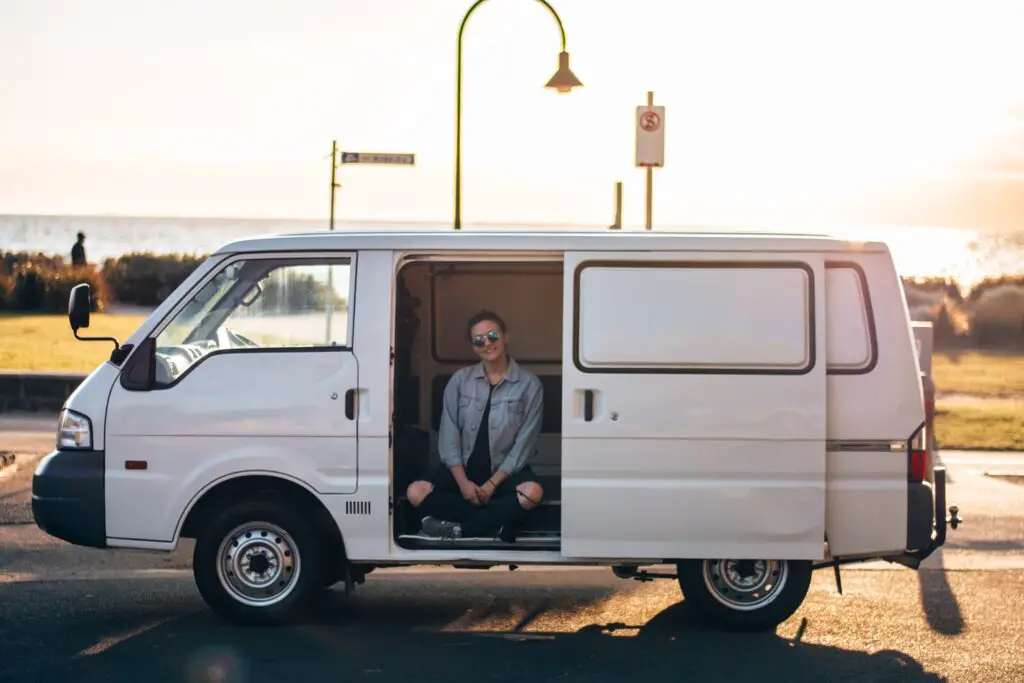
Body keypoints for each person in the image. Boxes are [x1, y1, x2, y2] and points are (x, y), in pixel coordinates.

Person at [406, 310, 544, 542]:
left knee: (532, 493)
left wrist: (491, 485)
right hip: (463, 470)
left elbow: (524, 446)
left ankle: (462, 530)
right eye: (479, 340)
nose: (487, 343)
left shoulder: (529, 385)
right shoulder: (460, 380)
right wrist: (463, 483)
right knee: (415, 492)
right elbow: (449, 438)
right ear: (473, 347)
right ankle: (495, 523)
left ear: (505, 336)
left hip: (504, 472)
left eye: (492, 335)